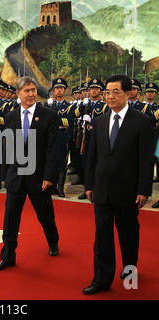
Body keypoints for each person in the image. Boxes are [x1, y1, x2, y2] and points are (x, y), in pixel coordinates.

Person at [83, 74, 154, 295]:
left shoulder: (143, 122)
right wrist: (89, 184)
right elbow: (92, 157)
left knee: (128, 234)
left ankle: (130, 267)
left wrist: (144, 189)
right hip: (102, 190)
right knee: (102, 237)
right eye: (107, 92)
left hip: (128, 190)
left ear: (128, 94)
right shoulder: (101, 120)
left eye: (116, 92)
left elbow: (146, 159)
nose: (110, 96)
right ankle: (101, 279)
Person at [0, 76, 60, 271]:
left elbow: (52, 150)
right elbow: (8, 147)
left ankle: (53, 241)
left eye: (33, 90)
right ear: (18, 94)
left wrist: (49, 177)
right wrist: (5, 174)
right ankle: (8, 256)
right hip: (16, 175)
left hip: (38, 177)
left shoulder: (49, 116)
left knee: (45, 214)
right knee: (10, 217)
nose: (31, 94)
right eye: (26, 91)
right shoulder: (11, 116)